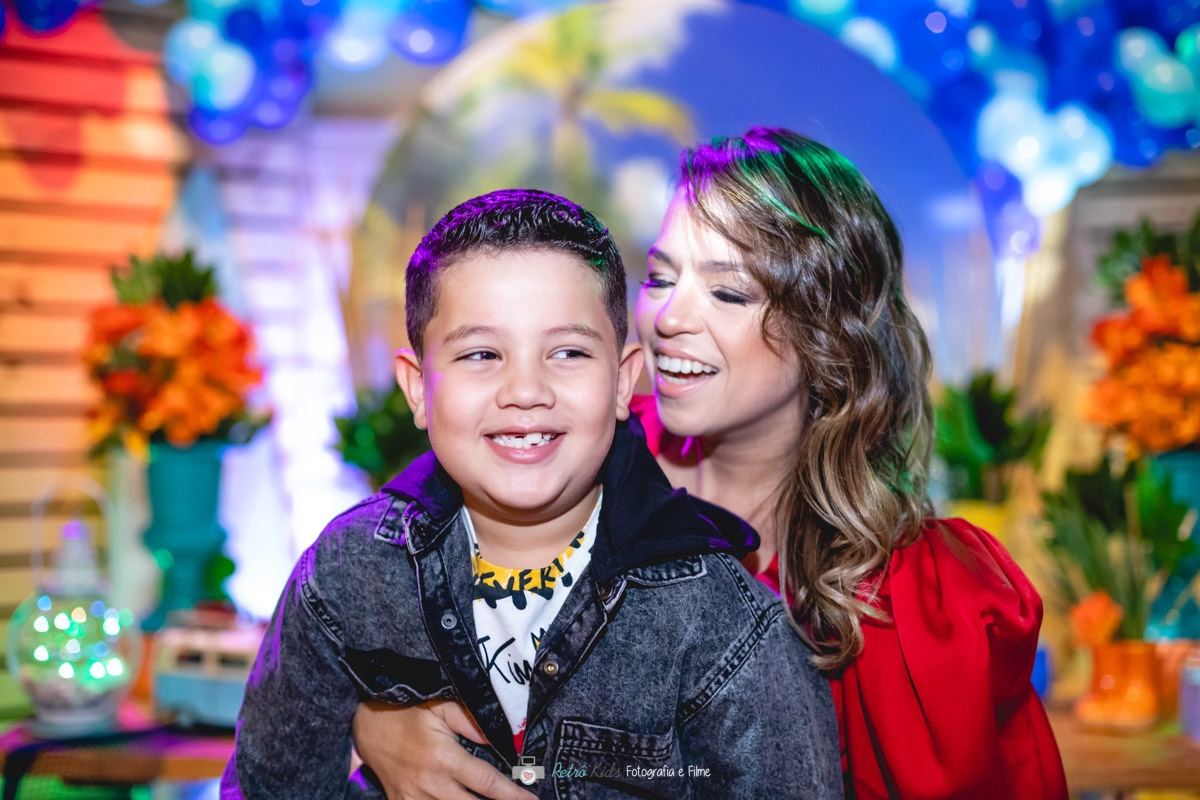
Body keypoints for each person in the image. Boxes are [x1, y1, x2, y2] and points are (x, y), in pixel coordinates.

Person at [350, 130, 1069, 800]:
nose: (665, 318)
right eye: (662, 278)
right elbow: (348, 620)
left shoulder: (919, 601)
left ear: (830, 332)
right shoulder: (548, 461)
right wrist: (371, 720)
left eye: (728, 291)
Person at [221, 188, 843, 799]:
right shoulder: (345, 575)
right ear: (417, 389)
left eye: (568, 352)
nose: (525, 390)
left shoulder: (721, 622)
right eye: (482, 353)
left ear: (624, 382)